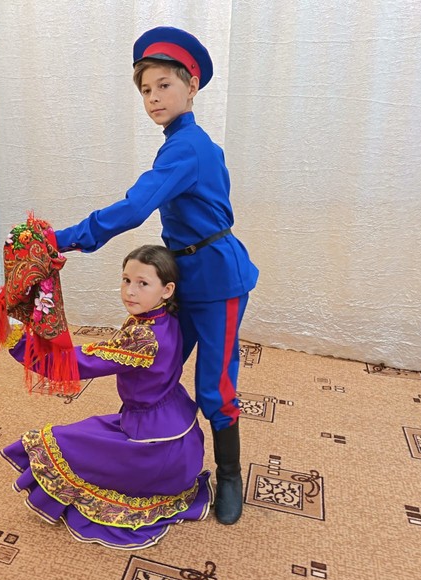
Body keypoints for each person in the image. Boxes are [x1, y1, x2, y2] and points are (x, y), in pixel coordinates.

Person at [52, 26, 259, 525]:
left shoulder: (189, 147)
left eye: (164, 85)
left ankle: (230, 475)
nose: (153, 98)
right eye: (146, 90)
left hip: (218, 280)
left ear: (192, 86)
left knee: (214, 385)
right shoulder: (181, 144)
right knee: (155, 369)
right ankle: (157, 454)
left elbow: (135, 207)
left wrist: (61, 239)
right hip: (180, 275)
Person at [0, 245, 213, 549]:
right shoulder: (165, 318)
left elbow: (76, 364)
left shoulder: (143, 337)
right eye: (126, 280)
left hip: (158, 450)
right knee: (88, 433)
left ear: (167, 290)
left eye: (142, 283)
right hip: (178, 435)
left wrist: (19, 342)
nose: (130, 291)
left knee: (56, 442)